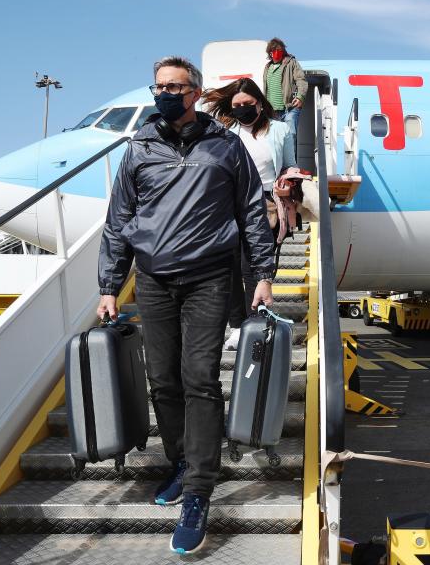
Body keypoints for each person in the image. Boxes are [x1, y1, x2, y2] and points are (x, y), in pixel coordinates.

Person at [96, 56, 276, 555]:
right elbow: (119, 219)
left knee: (199, 378)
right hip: (152, 279)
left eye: (174, 86)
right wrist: (110, 284)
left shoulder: (226, 147)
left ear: (195, 92)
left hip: (209, 276)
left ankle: (199, 489)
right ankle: (179, 462)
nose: (164, 93)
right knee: (164, 379)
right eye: (158, 86)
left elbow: (252, 215)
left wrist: (262, 274)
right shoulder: (140, 148)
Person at [203, 77, 296, 350]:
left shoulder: (279, 130)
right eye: (237, 105)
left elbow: (290, 166)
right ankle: (236, 324)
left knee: (253, 266)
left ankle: (255, 322)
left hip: (265, 203)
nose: (243, 109)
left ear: (260, 103)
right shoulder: (224, 132)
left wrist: (289, 182)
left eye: (248, 104)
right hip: (229, 204)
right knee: (230, 266)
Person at [262, 37, 308, 137]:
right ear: (270, 53)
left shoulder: (291, 63)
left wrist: (300, 96)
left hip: (289, 109)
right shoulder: (267, 67)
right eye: (274, 51)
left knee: (290, 136)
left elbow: (301, 79)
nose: (277, 52)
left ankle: (292, 153)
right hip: (272, 111)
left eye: (279, 50)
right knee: (274, 138)